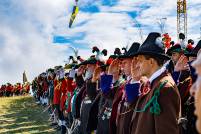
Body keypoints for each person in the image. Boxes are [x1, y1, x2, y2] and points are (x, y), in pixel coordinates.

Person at [130, 32, 181, 134]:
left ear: (151, 62)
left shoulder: (165, 88)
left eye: (140, 61)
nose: (137, 65)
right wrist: (135, 78)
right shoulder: (153, 83)